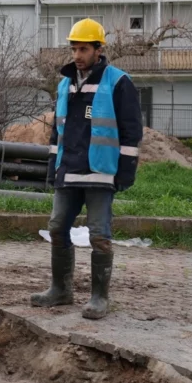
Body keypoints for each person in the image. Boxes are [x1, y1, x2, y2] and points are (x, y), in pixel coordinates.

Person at [31, 18, 143, 320]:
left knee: (99, 236)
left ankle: (99, 298)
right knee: (56, 228)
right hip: (68, 170)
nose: (77, 55)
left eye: (84, 49)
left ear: (98, 49)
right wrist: (53, 166)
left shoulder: (118, 82)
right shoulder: (65, 84)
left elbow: (132, 132)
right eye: (74, 49)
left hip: (100, 173)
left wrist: (125, 171)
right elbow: (58, 132)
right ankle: (60, 290)